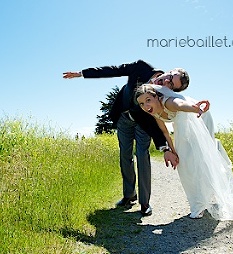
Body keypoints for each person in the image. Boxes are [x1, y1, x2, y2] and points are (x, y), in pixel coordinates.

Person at [63, 60, 189, 216]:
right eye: (171, 76)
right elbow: (113, 70)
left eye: (171, 85)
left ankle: (145, 203)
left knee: (142, 155)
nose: (167, 81)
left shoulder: (162, 96)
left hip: (144, 125)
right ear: (170, 70)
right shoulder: (141, 67)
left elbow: (160, 125)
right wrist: (81, 73)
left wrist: (165, 148)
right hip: (123, 118)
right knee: (125, 156)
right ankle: (129, 196)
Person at [134, 84, 233, 220]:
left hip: (198, 118)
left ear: (156, 97)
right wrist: (173, 152)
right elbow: (164, 132)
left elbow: (181, 105)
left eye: (148, 100)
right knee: (185, 166)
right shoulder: (154, 112)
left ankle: (209, 198)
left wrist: (196, 108)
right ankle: (199, 203)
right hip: (183, 129)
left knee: (204, 161)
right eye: (142, 103)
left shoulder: (169, 102)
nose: (145, 105)